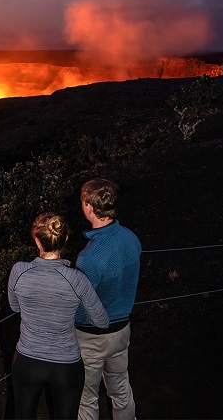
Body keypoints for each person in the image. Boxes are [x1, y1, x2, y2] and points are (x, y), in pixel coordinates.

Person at [8, 213, 110, 419]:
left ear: (37, 241)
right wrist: (72, 314)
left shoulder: (19, 271)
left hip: (27, 361)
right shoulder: (77, 279)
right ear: (65, 239)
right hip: (65, 365)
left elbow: (14, 307)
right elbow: (102, 321)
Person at [74, 178, 142, 420]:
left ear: (89, 207)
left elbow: (81, 306)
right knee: (121, 389)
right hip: (122, 330)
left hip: (92, 337)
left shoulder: (89, 257)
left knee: (86, 397)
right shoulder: (131, 238)